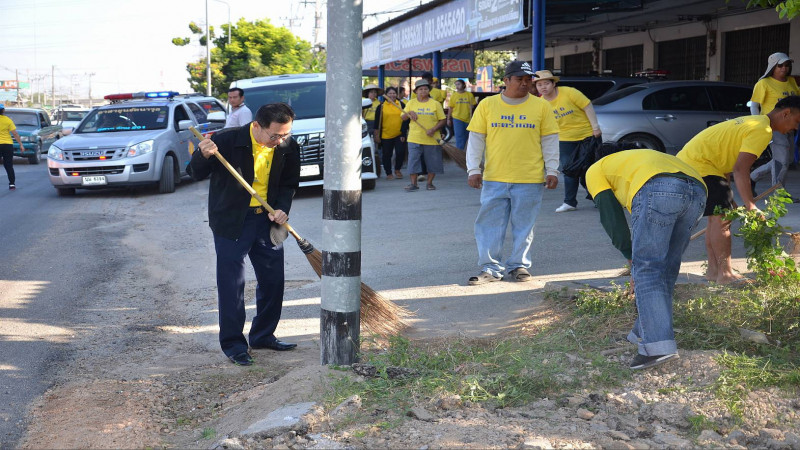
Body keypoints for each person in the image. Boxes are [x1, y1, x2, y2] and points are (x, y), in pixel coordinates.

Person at [190, 102, 301, 366]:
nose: (280, 140)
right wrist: (201, 154)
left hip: (268, 221)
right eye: (274, 135)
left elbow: (289, 184)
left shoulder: (287, 146)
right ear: (256, 126)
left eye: (285, 134)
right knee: (232, 286)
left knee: (273, 281)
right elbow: (194, 172)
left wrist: (282, 209)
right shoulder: (227, 141)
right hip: (232, 221)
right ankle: (234, 345)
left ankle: (262, 335)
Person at [586, 149, 706, 370]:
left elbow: (611, 217)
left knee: (648, 269)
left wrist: (631, 259)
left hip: (658, 188)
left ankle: (658, 348)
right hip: (698, 190)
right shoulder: (635, 159)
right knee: (666, 270)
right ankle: (642, 331)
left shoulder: (595, 170)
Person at [676, 96, 800, 284]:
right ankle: (725, 274)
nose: (796, 128)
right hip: (700, 165)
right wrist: (750, 206)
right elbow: (741, 169)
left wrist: (730, 197)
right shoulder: (763, 130)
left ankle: (713, 271)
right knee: (722, 219)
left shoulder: (755, 122)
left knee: (716, 218)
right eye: (797, 122)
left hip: (696, 164)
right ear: (786, 113)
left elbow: (727, 160)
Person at [465, 60, 560, 284]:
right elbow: (476, 139)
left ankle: (518, 266)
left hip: (530, 178)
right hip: (494, 178)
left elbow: (550, 140)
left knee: (524, 226)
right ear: (506, 80)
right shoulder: (488, 105)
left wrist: (553, 170)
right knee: (489, 225)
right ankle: (490, 269)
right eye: (520, 79)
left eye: (529, 80)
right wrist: (473, 169)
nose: (525, 83)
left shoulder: (541, 106)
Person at [534, 70, 602, 213]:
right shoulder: (540, 103)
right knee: (569, 170)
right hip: (564, 140)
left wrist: (595, 128)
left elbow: (587, 106)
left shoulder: (569, 92)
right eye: (539, 85)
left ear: (553, 83)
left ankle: (601, 199)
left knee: (591, 169)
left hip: (587, 136)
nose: (543, 87)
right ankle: (570, 202)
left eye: (546, 83)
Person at [749, 52, 800, 192]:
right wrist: (759, 124)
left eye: (787, 65)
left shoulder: (791, 82)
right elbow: (754, 105)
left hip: (790, 127)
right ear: (773, 67)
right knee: (781, 162)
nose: (784, 68)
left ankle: (753, 177)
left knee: (786, 161)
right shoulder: (763, 83)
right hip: (773, 127)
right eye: (780, 65)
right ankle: (778, 195)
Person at [401, 79, 446, 191]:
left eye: (425, 89)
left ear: (429, 91)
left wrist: (434, 129)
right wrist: (409, 113)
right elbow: (402, 117)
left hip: (432, 138)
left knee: (433, 162)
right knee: (413, 161)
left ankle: (429, 183)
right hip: (414, 137)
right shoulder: (411, 103)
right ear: (416, 91)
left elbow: (442, 120)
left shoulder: (435, 103)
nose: (423, 91)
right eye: (420, 89)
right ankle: (414, 184)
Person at [373, 86, 409, 180]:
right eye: (390, 93)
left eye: (394, 93)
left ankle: (397, 169)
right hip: (386, 135)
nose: (392, 95)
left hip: (399, 134)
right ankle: (388, 172)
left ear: (396, 94)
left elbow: (406, 120)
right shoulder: (381, 106)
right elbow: (377, 122)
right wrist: (376, 134)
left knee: (400, 152)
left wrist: (403, 133)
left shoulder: (401, 104)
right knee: (386, 154)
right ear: (386, 95)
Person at [0, 104, 25, 190]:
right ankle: (12, 184)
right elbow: (15, 133)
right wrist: (21, 144)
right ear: (3, 111)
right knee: (8, 165)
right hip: (7, 145)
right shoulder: (8, 120)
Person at [447, 79, 477, 150]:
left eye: (458, 84)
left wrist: (472, 106)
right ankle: (460, 153)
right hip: (457, 118)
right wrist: (448, 118)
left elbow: (474, 105)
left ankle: (464, 152)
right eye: (456, 84)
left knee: (467, 137)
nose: (457, 86)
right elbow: (450, 108)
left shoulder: (469, 95)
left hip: (468, 118)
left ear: (463, 85)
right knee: (459, 136)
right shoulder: (454, 95)